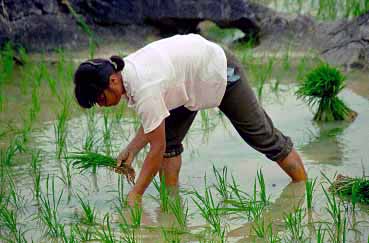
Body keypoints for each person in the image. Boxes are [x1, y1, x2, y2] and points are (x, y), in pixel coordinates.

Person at [73, 34, 307, 206]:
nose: (101, 105)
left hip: (219, 71)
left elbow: (156, 148)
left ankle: (304, 192)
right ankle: (172, 210)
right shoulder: (127, 74)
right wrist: (131, 150)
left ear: (113, 80)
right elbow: (155, 124)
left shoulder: (144, 87)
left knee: (263, 137)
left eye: (100, 98)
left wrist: (135, 195)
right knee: (171, 143)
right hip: (187, 83)